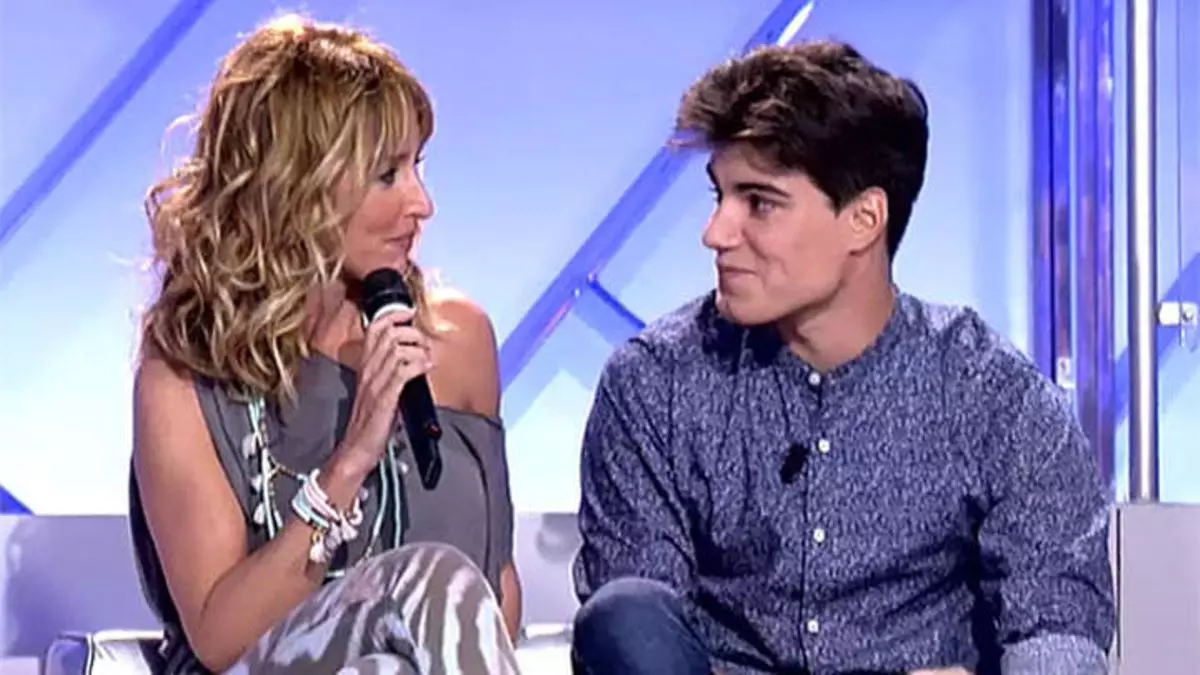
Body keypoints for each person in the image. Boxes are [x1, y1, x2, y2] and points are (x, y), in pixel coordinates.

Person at [570, 40, 1115, 675]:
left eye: (759, 202)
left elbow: (1057, 626)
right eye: (719, 196)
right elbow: (634, 635)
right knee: (624, 614)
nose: (715, 233)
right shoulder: (654, 383)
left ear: (864, 219)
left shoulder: (991, 395)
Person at [129, 15, 522, 675]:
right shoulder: (187, 377)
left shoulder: (459, 343)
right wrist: (352, 458)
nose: (422, 203)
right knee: (430, 580)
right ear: (296, 185)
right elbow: (221, 639)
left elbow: (497, 597)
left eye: (417, 167)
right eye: (387, 174)